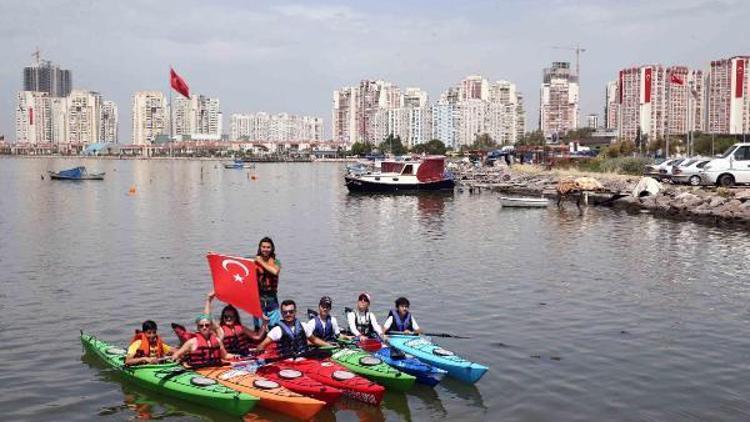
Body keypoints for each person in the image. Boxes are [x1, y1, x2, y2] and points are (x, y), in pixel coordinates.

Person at [204, 290, 267, 355]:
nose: (229, 319)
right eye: (226, 317)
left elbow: (257, 336)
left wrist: (264, 322)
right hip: (230, 356)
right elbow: (207, 318)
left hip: (245, 355)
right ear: (223, 317)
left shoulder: (241, 327)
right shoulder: (220, 329)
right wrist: (209, 300)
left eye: (231, 316)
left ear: (235, 317)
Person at [257, 300, 329, 355]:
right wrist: (260, 348)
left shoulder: (304, 326)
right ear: (281, 313)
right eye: (285, 312)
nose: (288, 314)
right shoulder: (277, 330)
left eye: (291, 312)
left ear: (295, 312)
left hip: (305, 357)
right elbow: (263, 344)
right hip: (286, 359)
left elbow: (314, 340)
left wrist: (329, 345)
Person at [172, 314, 237, 368]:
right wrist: (175, 357)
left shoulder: (217, 340)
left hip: (216, 368)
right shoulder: (192, 342)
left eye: (207, 325)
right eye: (201, 326)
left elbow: (225, 356)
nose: (204, 327)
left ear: (210, 327)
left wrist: (237, 357)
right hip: (198, 370)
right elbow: (177, 354)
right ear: (198, 327)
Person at [254, 237, 282, 328]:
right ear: (260, 248)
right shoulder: (253, 262)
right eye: (263, 247)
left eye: (268, 247)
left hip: (272, 298)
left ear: (272, 249)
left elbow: (275, 271)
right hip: (258, 298)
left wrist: (260, 261)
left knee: (275, 327)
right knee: (259, 328)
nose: (265, 249)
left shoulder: (276, 262)